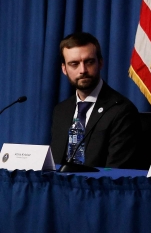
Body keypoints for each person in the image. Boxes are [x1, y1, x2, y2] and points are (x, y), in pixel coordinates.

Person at [50, 32, 141, 168]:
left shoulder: (122, 111)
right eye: (74, 64)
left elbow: (116, 172)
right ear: (64, 69)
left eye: (89, 62)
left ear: (100, 63)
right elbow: (55, 163)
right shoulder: (61, 110)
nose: (83, 70)